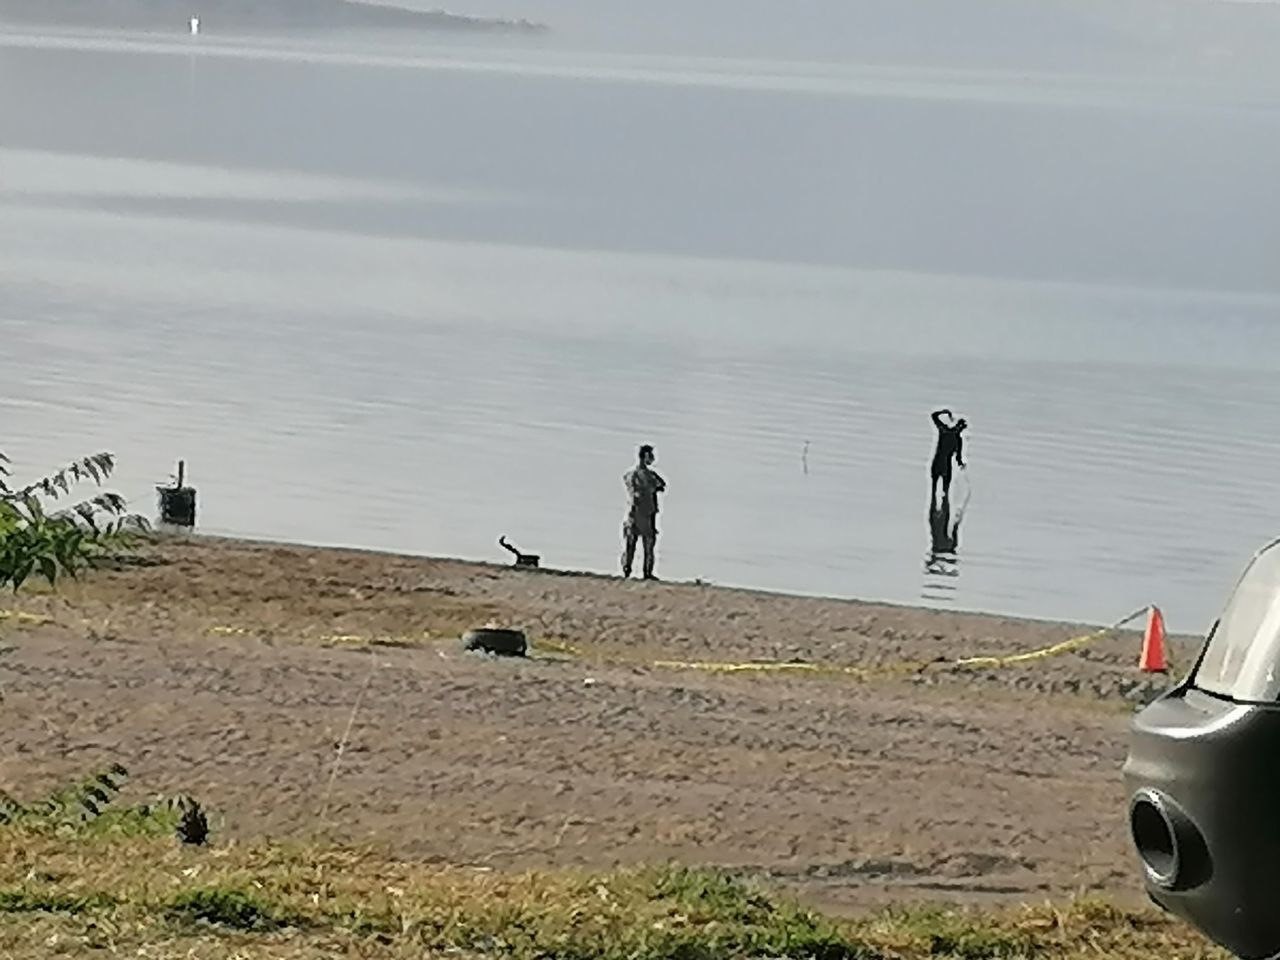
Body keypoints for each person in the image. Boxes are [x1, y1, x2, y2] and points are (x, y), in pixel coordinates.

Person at [622, 444, 666, 580]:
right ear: (646, 456)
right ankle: (646, 573)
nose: (653, 459)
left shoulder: (630, 474)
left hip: (634, 512)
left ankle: (627, 570)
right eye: (651, 456)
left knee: (631, 544)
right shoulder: (648, 476)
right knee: (647, 544)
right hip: (645, 512)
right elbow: (661, 485)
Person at [930, 409, 967, 504]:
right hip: (946, 466)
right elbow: (958, 458)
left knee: (934, 489)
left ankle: (935, 504)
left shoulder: (944, 430)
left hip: (937, 462)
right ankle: (943, 504)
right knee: (945, 489)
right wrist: (961, 464)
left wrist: (944, 412)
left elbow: (934, 416)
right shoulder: (958, 440)